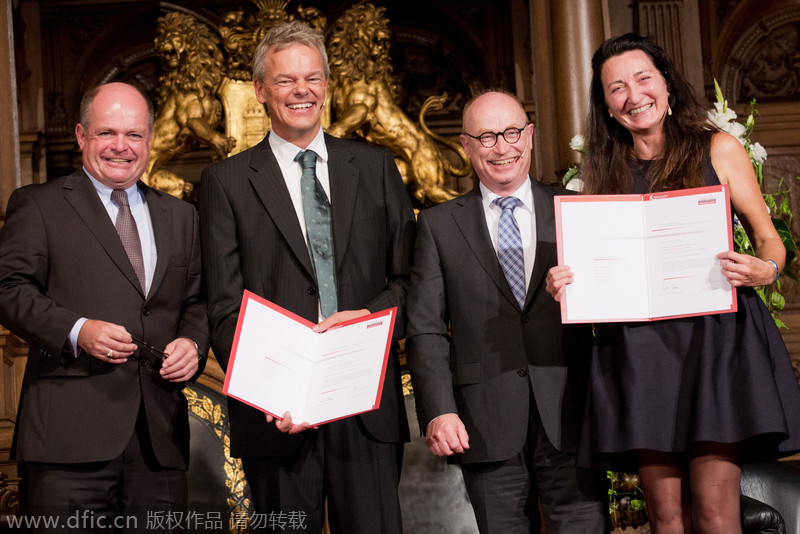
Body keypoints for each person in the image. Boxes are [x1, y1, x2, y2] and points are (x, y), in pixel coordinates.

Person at [546, 33, 800, 534]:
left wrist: (765, 269)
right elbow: (596, 263)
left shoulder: (718, 148)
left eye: (643, 79)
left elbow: (771, 241)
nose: (633, 95)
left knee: (715, 511)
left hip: (715, 344)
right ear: (606, 105)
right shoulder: (601, 171)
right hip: (639, 351)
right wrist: (568, 282)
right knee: (665, 516)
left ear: (666, 84)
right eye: (616, 88)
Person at [200, 21, 415, 534]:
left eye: (312, 78)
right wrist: (275, 392)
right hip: (277, 419)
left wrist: (368, 319)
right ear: (260, 90)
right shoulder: (225, 182)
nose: (302, 91)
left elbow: (411, 283)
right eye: (285, 80)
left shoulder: (376, 166)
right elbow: (224, 307)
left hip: (365, 404)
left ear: (327, 85)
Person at [0, 82, 209, 531]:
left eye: (134, 134)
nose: (121, 146)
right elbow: (9, 289)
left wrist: (193, 342)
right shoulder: (38, 205)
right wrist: (78, 330)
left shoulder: (182, 216)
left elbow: (195, 301)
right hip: (67, 441)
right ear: (81, 135)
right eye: (107, 133)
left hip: (158, 443)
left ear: (149, 139)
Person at [405, 90, 607, 534]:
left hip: (571, 414)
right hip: (483, 422)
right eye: (487, 137)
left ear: (529, 136)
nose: (502, 147)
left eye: (512, 133)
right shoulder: (438, 226)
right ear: (466, 145)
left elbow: (613, 302)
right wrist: (439, 410)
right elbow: (425, 329)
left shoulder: (574, 210)